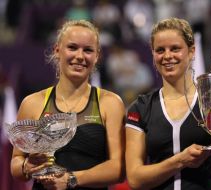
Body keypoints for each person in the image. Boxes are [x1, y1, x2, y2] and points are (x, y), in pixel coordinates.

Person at [125, 17, 211, 190]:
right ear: (153, 55)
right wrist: (180, 161)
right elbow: (135, 179)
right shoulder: (140, 107)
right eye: (160, 50)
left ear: (192, 51)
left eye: (175, 48)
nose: (167, 56)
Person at [10, 19, 126, 190]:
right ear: (57, 50)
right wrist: (26, 166)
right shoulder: (32, 103)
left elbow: (118, 168)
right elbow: (16, 162)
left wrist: (71, 179)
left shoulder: (111, 103)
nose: (80, 56)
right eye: (72, 48)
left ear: (97, 56)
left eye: (88, 50)